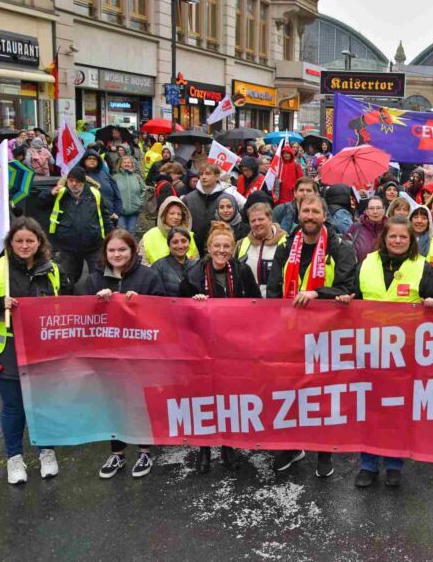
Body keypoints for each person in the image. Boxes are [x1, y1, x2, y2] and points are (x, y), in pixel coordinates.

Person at [336, 217, 433, 487]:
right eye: (393, 236)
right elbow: (352, 292)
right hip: (369, 351)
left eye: (403, 237)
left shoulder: (422, 266)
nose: (397, 241)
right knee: (369, 409)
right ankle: (368, 464)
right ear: (384, 238)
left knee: (397, 411)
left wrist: (432, 302)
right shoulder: (367, 263)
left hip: (404, 355)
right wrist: (347, 298)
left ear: (411, 240)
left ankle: (395, 463)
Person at [0, 217, 73, 484]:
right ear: (10, 243)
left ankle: (46, 452)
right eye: (19, 241)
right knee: (14, 407)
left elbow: (72, 305)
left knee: (43, 404)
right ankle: (14, 458)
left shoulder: (54, 271)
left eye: (30, 241)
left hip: (44, 349)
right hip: (7, 350)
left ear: (39, 242)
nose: (25, 246)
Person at [266, 194, 357, 478]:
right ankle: (292, 446)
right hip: (290, 333)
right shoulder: (285, 246)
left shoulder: (340, 247)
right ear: (298, 213)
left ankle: (324, 450)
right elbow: (274, 289)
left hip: (325, 335)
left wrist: (318, 293)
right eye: (305, 210)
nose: (310, 216)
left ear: (324, 215)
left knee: (322, 395)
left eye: (315, 211)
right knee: (289, 392)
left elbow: (348, 287)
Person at [76, 229, 166, 479]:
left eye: (122, 249)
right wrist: (96, 303)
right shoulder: (94, 280)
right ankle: (117, 453)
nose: (117, 254)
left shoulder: (148, 276)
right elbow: (82, 315)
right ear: (105, 253)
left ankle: (145, 451)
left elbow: (163, 311)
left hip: (141, 352)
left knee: (141, 402)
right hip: (108, 353)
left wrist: (142, 302)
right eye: (112, 250)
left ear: (133, 250)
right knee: (113, 402)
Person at [180, 221, 261, 473]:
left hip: (233, 346)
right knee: (204, 398)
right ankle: (204, 448)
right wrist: (194, 304)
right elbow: (179, 311)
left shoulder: (242, 270)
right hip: (203, 347)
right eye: (217, 246)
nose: (222, 250)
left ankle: (228, 446)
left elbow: (257, 303)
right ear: (208, 247)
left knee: (230, 397)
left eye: (226, 246)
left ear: (233, 248)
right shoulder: (193, 274)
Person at [41, 166, 114, 281]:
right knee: (66, 279)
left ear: (83, 182)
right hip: (67, 247)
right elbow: (40, 204)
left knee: (98, 277)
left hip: (93, 245)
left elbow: (105, 217)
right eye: (71, 181)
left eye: (78, 181)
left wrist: (112, 237)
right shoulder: (61, 193)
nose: (74, 184)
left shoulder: (94, 194)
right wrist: (50, 194)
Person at [181, 162, 247, 254]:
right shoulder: (188, 199)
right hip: (193, 248)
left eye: (208, 174)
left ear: (217, 176)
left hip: (220, 248)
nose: (203, 177)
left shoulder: (227, 197)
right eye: (201, 174)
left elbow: (245, 207)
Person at [236, 202, 287, 295]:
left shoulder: (286, 242)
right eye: (253, 221)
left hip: (277, 299)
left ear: (270, 219)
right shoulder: (241, 244)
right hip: (249, 300)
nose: (257, 223)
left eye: (261, 219)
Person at [138, 196, 199, 265]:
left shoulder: (189, 235)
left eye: (179, 214)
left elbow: (196, 261)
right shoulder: (149, 236)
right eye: (172, 213)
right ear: (164, 215)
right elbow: (142, 263)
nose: (176, 217)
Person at [151, 227, 197, 296]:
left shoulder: (196, 266)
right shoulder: (158, 267)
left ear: (189, 243)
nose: (180, 246)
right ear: (169, 245)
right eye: (175, 242)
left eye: (184, 241)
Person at [82, 150, 122, 226]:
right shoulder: (79, 176)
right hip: (88, 220)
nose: (92, 160)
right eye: (89, 158)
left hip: (109, 218)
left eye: (94, 159)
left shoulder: (106, 175)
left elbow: (117, 197)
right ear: (84, 161)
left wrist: (117, 213)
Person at [345, 196, 388, 263]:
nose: (375, 211)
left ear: (384, 210)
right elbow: (345, 251)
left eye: (378, 208)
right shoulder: (356, 228)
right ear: (366, 211)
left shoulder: (390, 228)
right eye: (371, 208)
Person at [409, 205, 433, 275]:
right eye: (415, 217)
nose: (419, 221)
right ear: (410, 220)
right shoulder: (402, 241)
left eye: (424, 218)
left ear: (429, 222)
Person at [113, 155, 145, 233]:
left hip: (134, 210)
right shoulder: (115, 177)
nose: (126, 164)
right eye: (124, 162)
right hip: (120, 211)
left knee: (131, 231)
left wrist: (140, 203)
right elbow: (112, 193)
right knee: (122, 232)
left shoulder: (137, 177)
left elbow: (143, 190)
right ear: (120, 164)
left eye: (128, 162)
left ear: (132, 164)